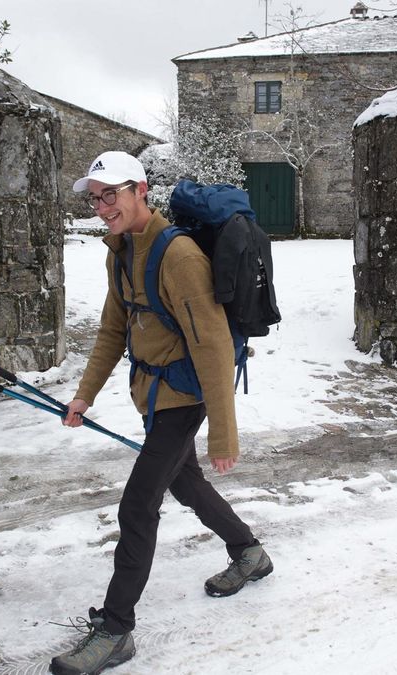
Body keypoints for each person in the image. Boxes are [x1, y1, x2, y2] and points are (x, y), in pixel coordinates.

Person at [50, 151, 272, 675]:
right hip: (150, 393)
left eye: (113, 193)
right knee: (184, 484)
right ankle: (249, 552)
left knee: (138, 504)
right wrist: (84, 395)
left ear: (140, 189)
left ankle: (115, 630)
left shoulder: (179, 258)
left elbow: (215, 346)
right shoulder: (120, 252)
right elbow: (112, 330)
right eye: (96, 196)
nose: (104, 205)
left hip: (185, 396)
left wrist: (223, 433)